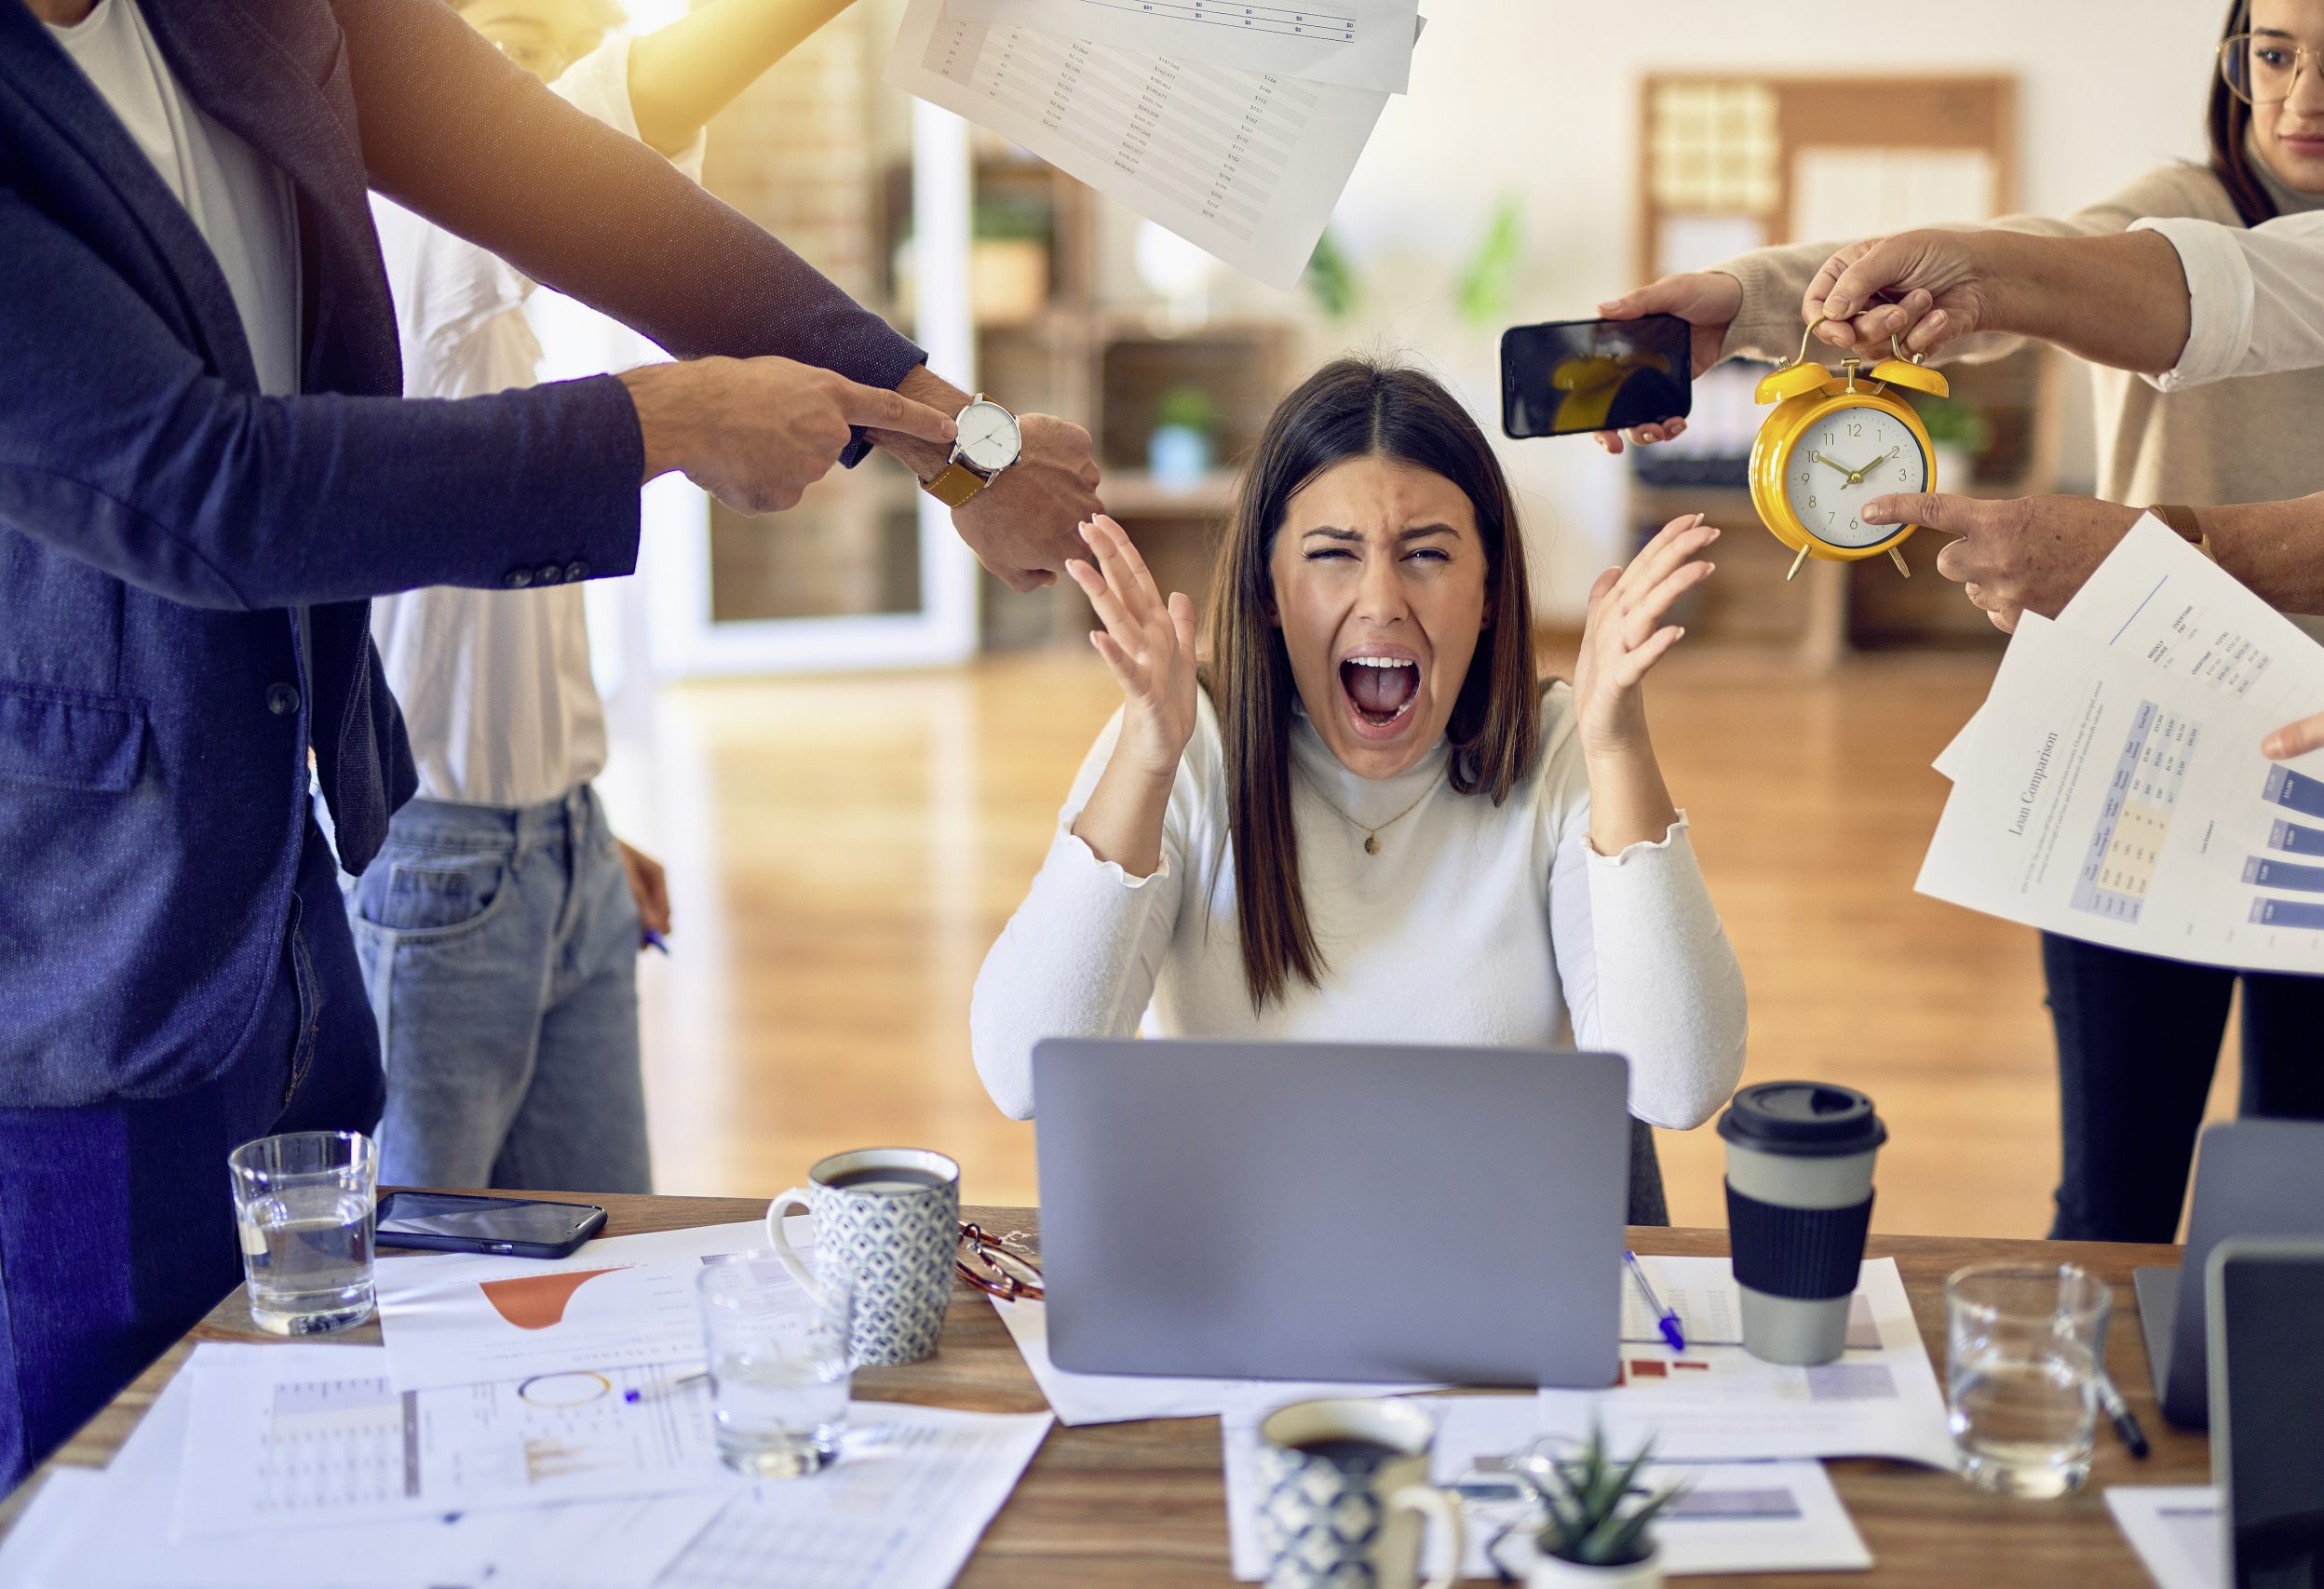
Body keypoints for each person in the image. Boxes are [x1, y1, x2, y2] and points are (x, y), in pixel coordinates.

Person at [0, 0, 1099, 1488]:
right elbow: (212, 492)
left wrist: (953, 442)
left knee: (299, 1447)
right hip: (76, 956)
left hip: (286, 897)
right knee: (95, 1494)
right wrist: (657, 421)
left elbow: (567, 175)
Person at [1593, 0, 2324, 1243]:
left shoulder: (2282, 257)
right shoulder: (2170, 207)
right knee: (2110, 1192)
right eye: (2271, 53)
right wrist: (1743, 299)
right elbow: (1990, 260)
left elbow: (2175, 290)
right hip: (2145, 761)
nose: (2303, 97)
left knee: (2308, 1192)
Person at [969, 360, 1749, 1220]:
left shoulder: (1562, 747)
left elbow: (1679, 1085)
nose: (1381, 601)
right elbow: (1021, 1073)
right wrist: (1147, 761)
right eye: (1334, 555)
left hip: (1492, 1267)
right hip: (1242, 1263)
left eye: (1426, 555)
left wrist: (1618, 743)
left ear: (1489, 591)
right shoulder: (1184, 741)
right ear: (1269, 591)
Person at [355, 0, 864, 1197]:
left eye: (559, 42)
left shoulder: (503, 326)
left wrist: (568, 826)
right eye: (503, 50)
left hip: (559, 849)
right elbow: (612, 120)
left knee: (602, 1259)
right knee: (428, 1300)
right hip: (436, 870)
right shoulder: (402, 236)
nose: (540, 81)